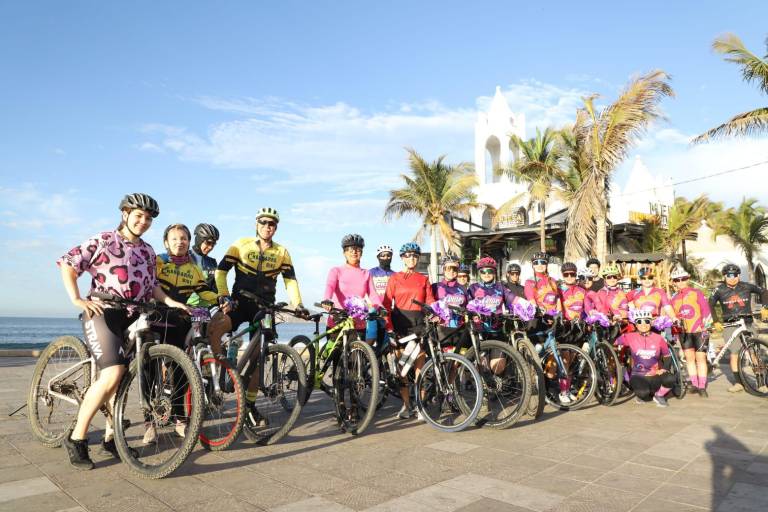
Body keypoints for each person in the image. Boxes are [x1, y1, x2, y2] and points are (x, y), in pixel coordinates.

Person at [56, 193, 190, 470]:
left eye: (149, 218)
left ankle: (111, 438)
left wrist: (171, 302)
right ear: (125, 214)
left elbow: (153, 286)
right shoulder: (103, 240)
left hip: (133, 316)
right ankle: (77, 438)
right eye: (138, 215)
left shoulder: (148, 251)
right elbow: (69, 263)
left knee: (122, 379)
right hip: (103, 313)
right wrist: (77, 299)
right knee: (113, 373)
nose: (143, 221)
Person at [207, 207, 308, 429]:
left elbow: (290, 280)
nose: (267, 227)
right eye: (263, 223)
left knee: (259, 358)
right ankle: (213, 370)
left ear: (276, 228)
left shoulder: (282, 252)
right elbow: (221, 271)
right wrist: (223, 295)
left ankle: (250, 405)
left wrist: (297, 304)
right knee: (216, 327)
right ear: (256, 224)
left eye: (271, 224)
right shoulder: (240, 244)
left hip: (265, 307)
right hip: (239, 301)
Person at [151, 223, 218, 440]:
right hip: (155, 320)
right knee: (149, 369)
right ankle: (148, 421)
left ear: (189, 242)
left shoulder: (193, 268)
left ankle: (179, 418)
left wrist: (221, 299)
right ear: (166, 242)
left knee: (179, 372)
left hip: (179, 321)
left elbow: (203, 291)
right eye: (175, 238)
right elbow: (149, 284)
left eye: (183, 238)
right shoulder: (158, 261)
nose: (180, 242)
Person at [382, 242, 434, 420]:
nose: (411, 258)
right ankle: (406, 405)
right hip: (399, 324)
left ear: (418, 258)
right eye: (407, 255)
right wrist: (388, 327)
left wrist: (435, 315)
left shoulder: (424, 279)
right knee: (402, 368)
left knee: (419, 368)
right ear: (402, 258)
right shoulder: (395, 278)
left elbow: (431, 303)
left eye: (414, 255)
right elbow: (387, 304)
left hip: (419, 324)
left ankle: (420, 407)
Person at [708, 263, 768, 393]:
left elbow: (763, 291)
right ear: (724, 276)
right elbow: (710, 304)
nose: (732, 278)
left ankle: (761, 382)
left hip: (747, 322)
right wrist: (716, 321)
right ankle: (738, 383)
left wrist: (765, 307)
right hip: (731, 325)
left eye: (735, 275)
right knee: (734, 354)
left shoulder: (746, 286)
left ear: (738, 275)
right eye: (729, 275)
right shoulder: (719, 290)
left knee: (753, 352)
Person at [321, 234, 382, 348]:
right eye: (350, 249)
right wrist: (327, 299)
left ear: (361, 253)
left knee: (357, 362)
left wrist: (379, 307)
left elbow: (373, 294)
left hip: (358, 323)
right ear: (344, 252)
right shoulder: (336, 271)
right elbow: (330, 286)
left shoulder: (366, 273)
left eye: (358, 249)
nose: (354, 252)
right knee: (337, 359)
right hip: (338, 320)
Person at [615, 309, 675, 407]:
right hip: (638, 376)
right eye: (639, 321)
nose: (643, 324)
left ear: (651, 323)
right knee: (644, 394)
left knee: (671, 378)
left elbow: (667, 356)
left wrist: (664, 369)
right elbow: (612, 343)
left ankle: (659, 395)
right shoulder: (629, 337)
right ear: (636, 324)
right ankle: (644, 393)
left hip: (655, 375)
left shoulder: (658, 338)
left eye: (647, 321)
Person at [670, 268, 712, 397]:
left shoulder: (696, 292)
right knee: (689, 359)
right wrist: (675, 332)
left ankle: (702, 386)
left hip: (699, 331)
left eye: (683, 279)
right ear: (674, 282)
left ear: (688, 279)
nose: (681, 282)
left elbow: (706, 310)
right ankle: (694, 384)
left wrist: (705, 327)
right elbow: (673, 316)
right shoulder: (674, 297)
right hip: (684, 333)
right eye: (677, 280)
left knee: (701, 358)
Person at [431, 255, 469, 347]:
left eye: (455, 269)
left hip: (459, 329)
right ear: (443, 269)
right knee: (444, 360)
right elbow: (429, 306)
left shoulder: (463, 289)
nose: (451, 271)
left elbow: (468, 307)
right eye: (448, 268)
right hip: (441, 330)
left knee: (459, 359)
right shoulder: (435, 287)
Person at [188, 223, 220, 307]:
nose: (210, 247)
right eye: (208, 243)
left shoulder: (212, 262)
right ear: (199, 240)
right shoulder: (183, 257)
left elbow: (216, 289)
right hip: (185, 307)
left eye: (213, 244)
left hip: (207, 309)